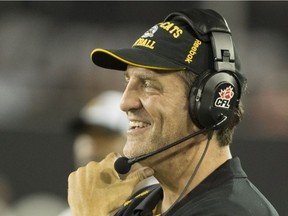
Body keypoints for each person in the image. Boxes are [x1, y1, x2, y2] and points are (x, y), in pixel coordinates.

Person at [67, 8, 279, 216]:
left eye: (148, 84)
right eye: (127, 81)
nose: (125, 102)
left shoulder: (234, 211)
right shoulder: (141, 204)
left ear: (209, 103)